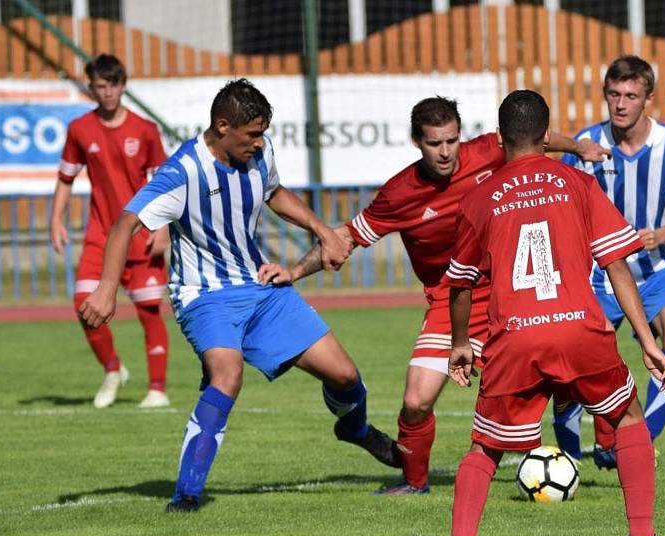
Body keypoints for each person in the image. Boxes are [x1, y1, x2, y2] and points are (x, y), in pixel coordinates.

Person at [258, 96, 609, 495]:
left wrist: (579, 147)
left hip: (506, 291)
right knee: (416, 401)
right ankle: (414, 482)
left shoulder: (487, 151)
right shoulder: (399, 193)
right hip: (449, 301)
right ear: (416, 142)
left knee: (569, 363)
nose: (445, 152)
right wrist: (294, 272)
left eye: (451, 140)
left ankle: (611, 440)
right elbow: (346, 238)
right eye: (434, 143)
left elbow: (534, 139)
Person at [79, 79, 400, 512]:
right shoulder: (183, 171)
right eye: (251, 134)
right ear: (222, 126)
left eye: (262, 133)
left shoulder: (259, 154)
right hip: (204, 296)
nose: (259, 142)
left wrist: (323, 231)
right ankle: (187, 495)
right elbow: (124, 225)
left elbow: (275, 192)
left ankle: (356, 430)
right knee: (227, 375)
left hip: (260, 288)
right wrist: (106, 289)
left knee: (344, 376)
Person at [441, 89, 665, 536]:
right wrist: (645, 339)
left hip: (513, 338)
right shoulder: (575, 182)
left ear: (500, 138)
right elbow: (616, 262)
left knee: (485, 449)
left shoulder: (478, 198)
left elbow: (460, 284)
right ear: (546, 135)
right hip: (580, 329)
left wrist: (459, 345)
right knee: (627, 416)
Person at [553, 55, 665, 468]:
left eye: (631, 95)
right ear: (605, 95)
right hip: (598, 274)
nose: (621, 104)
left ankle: (634, 443)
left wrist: (661, 234)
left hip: (659, 268)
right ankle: (567, 457)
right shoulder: (586, 143)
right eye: (614, 94)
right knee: (575, 355)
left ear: (648, 99)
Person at [50, 53, 171, 409]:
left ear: (123, 85)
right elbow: (65, 177)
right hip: (100, 236)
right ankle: (113, 368)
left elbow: (163, 184)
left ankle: (157, 390)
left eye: (113, 85)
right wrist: (55, 219)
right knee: (83, 305)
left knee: (149, 311)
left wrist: (162, 229)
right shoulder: (79, 130)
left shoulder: (145, 130)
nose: (107, 92)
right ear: (91, 88)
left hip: (141, 234)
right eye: (99, 86)